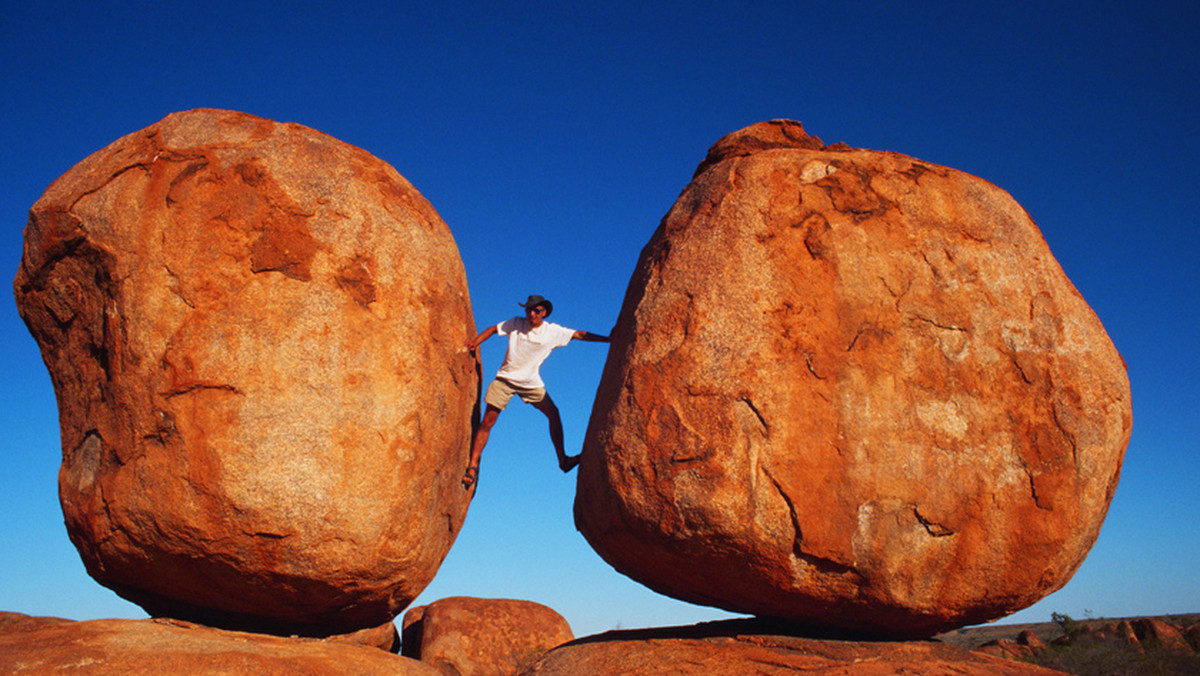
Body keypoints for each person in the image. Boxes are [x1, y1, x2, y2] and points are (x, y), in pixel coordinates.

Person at [463, 294, 611, 489]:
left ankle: (563, 460)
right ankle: (473, 464)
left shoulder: (553, 332)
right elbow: (493, 329)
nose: (532, 314)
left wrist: (609, 340)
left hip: (531, 384)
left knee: (554, 414)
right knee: (488, 421)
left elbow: (580, 335)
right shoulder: (516, 323)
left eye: (536, 311)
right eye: (529, 310)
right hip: (505, 380)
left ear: (545, 313)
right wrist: (476, 341)